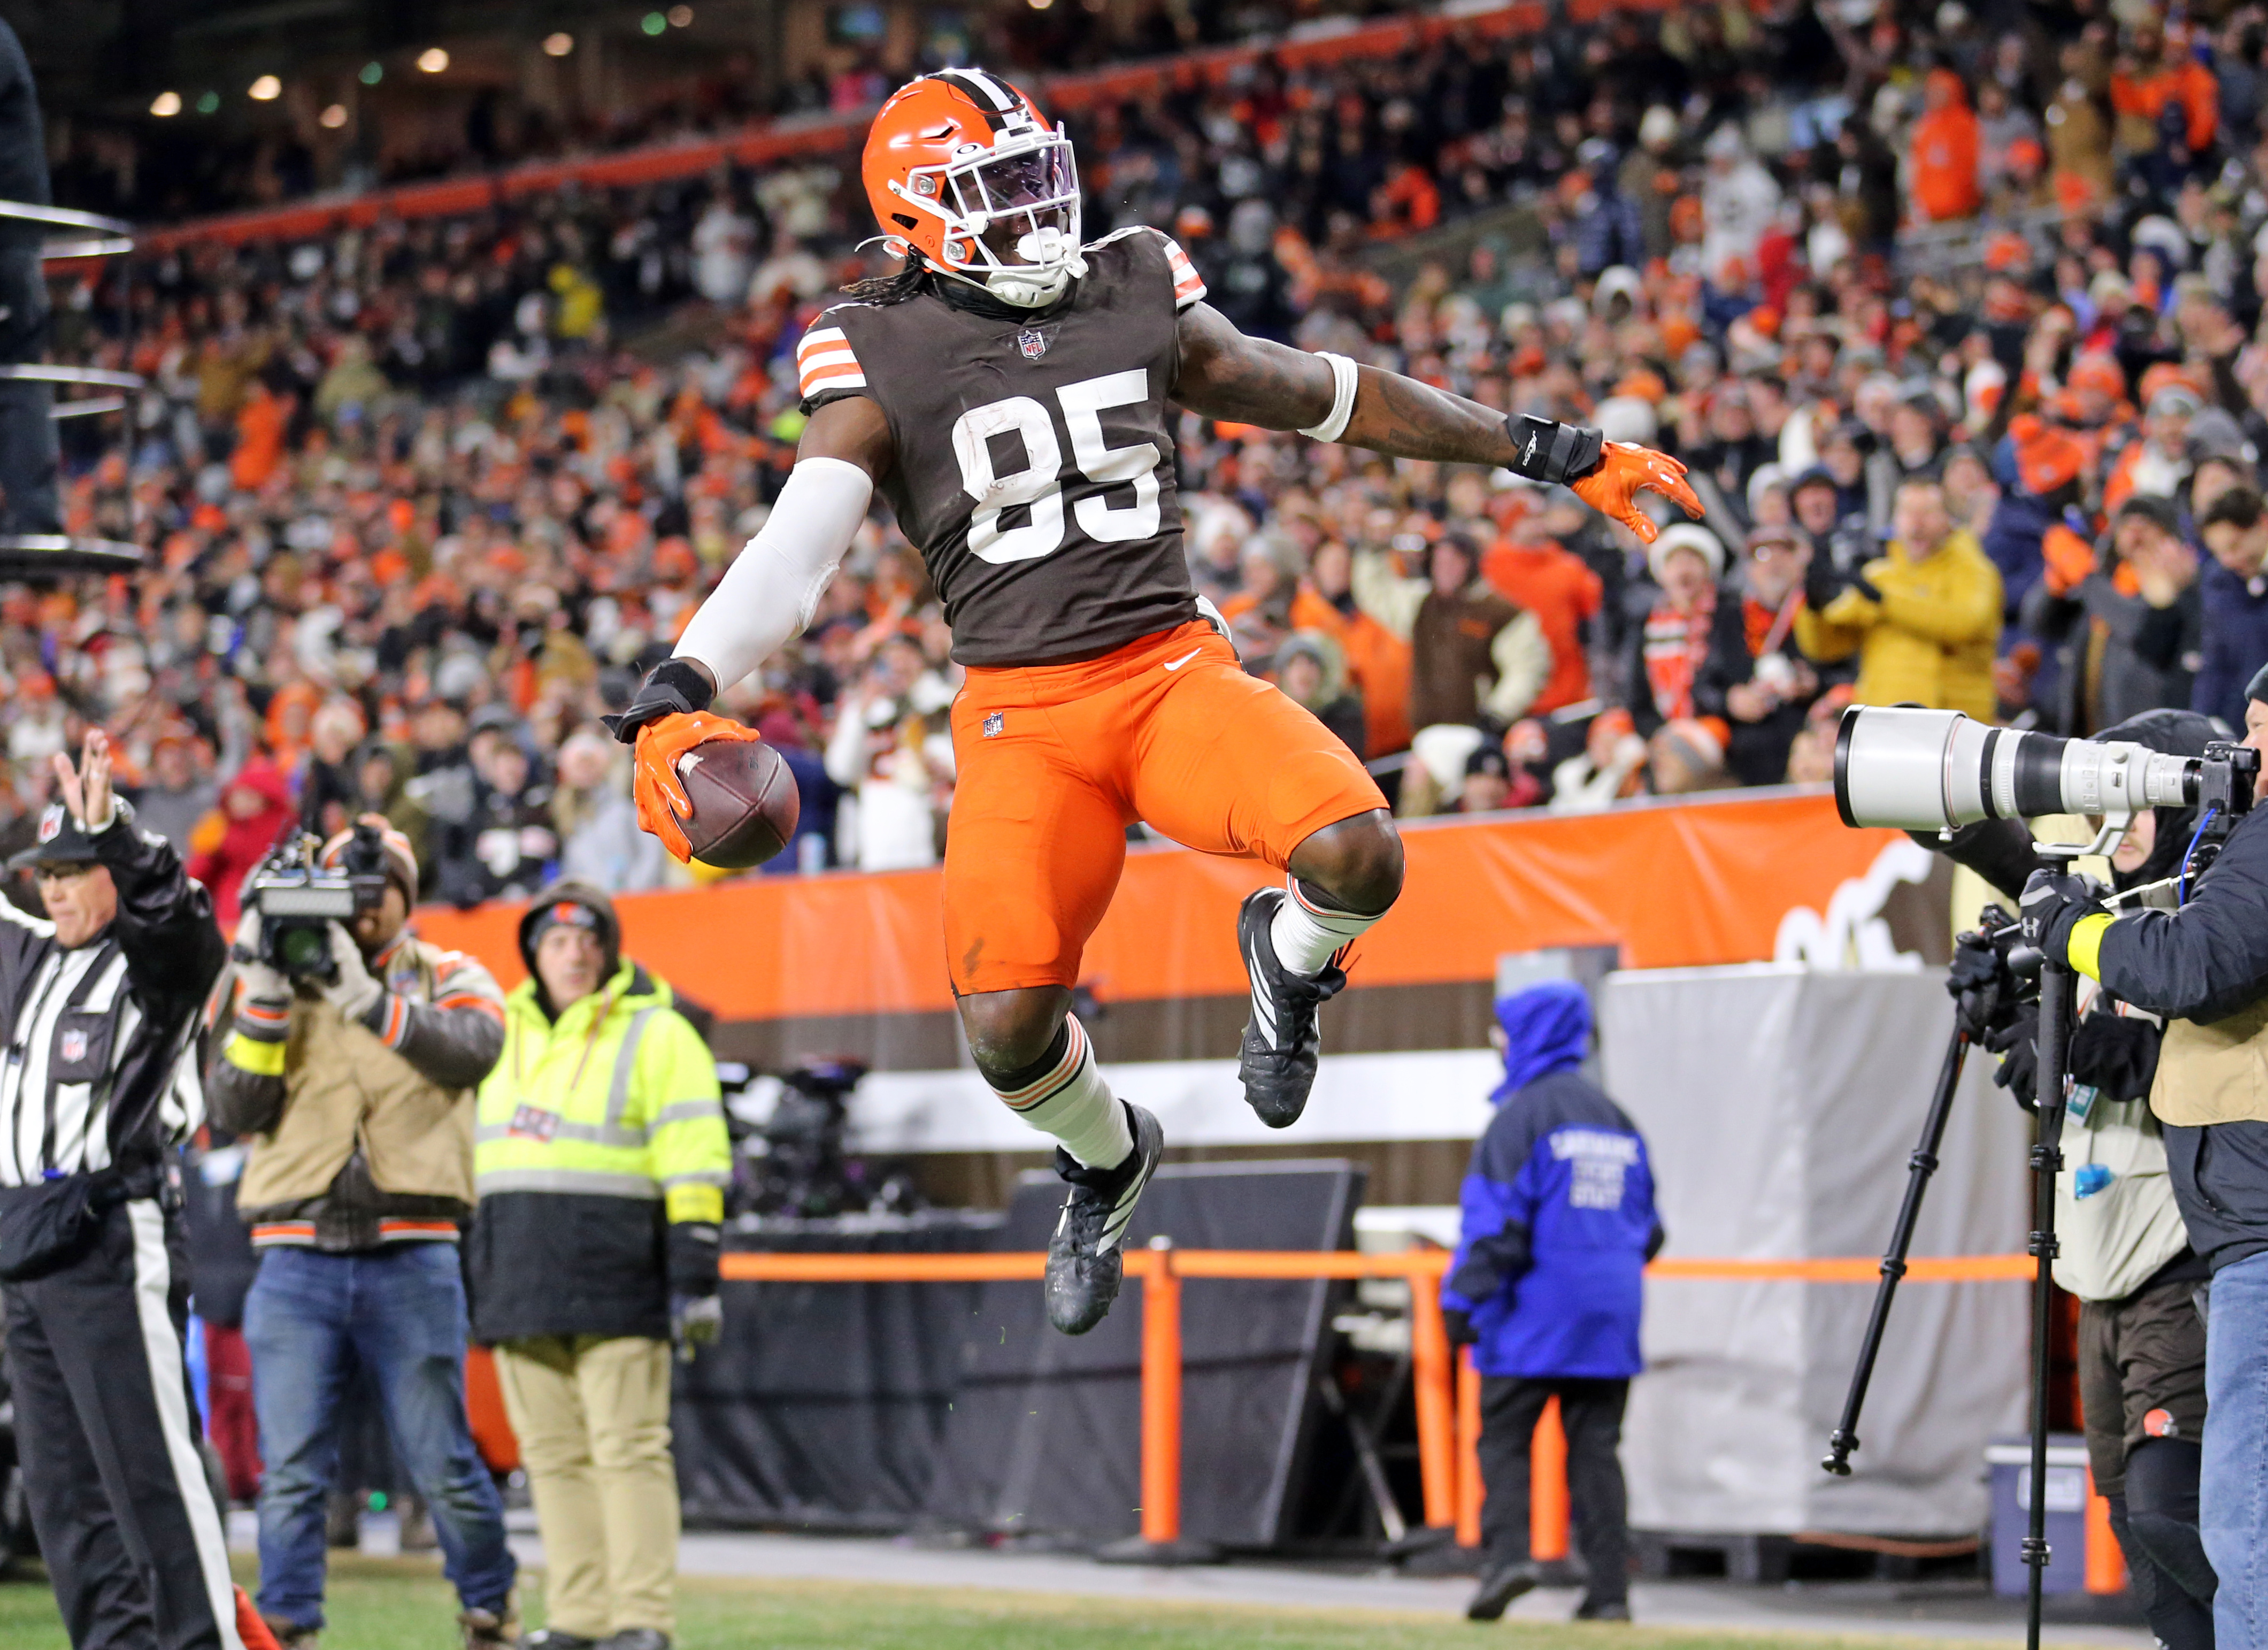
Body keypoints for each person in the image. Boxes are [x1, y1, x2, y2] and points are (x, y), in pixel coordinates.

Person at [604, 70, 1701, 1337]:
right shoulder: (875, 345)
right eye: (993, 196)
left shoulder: (1132, 282)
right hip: (1022, 719)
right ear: (915, 220)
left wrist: (1543, 446)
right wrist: (676, 686)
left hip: (1169, 670)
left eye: (1036, 181)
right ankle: (1108, 1155)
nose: (1034, 217)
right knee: (1008, 1031)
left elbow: (1322, 393)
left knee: (1358, 853)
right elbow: (798, 553)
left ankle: (1284, 964)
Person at [206, 817, 519, 1649]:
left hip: (412, 1246)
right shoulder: (277, 976)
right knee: (292, 1472)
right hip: (295, 1249)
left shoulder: (449, 972)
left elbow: (475, 1048)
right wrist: (267, 999)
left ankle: (490, 1610)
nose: (368, 910)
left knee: (443, 1462)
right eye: (355, 895)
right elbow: (231, 1108)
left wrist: (369, 1002)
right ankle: (288, 1627)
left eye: (383, 895)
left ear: (409, 900)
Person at [1954, 711, 2223, 1650]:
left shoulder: (2207, 922)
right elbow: (2062, 1091)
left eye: (2136, 800)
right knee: (2137, 1540)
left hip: (2179, 1258)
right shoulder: (2104, 922)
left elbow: (2219, 1068)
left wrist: (2135, 1051)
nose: (2116, 821)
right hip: (2100, 1270)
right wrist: (2020, 1026)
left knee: (2169, 1512)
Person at [2018, 671, 2268, 1650]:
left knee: (2242, 1522)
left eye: (2261, 723)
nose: (2245, 751)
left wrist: (2067, 929)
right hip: (2213, 1237)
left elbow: (2189, 968)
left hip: (2243, 1233)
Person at [0, 732, 238, 1650]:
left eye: (75, 868)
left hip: (109, 1232)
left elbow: (179, 922)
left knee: (147, 1477)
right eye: (44, 872)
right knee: (64, 1493)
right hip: (23, 1244)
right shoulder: (26, 958)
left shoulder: (156, 966)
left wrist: (124, 840)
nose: (55, 888)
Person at [469, 882, 730, 1650]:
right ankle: (581, 1621)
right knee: (552, 1460)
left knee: (629, 1451)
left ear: (609, 949)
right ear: (533, 953)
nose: (574, 953)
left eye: (588, 940)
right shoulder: (497, 1033)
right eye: (557, 941)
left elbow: (694, 1157)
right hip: (519, 1273)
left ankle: (641, 1619)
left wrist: (695, 1274)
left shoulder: (658, 1031)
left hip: (623, 1272)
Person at [1441, 981, 1661, 1625]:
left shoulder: (1519, 1120)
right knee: (1595, 1451)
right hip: (1609, 1319)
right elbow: (1650, 1230)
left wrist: (1461, 1301)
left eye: (1504, 1033)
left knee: (1503, 1440)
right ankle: (1609, 1594)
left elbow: (1494, 1227)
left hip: (1531, 1317)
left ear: (1528, 1036)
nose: (1499, 1045)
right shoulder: (1617, 1119)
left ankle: (1507, 1559)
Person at [1795, 477, 2003, 721]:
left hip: (1953, 724)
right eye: (1907, 512)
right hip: (1885, 724)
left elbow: (1966, 623)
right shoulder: (1879, 575)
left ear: (1949, 519)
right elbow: (1825, 649)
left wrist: (1886, 601)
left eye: (1927, 512)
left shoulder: (1974, 570)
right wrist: (1814, 610)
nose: (1917, 523)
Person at [2194, 487, 2268, 731]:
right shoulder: (2220, 584)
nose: (2228, 561)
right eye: (2219, 553)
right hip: (2239, 727)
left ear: (2263, 524)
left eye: (2235, 546)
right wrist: (2203, 725)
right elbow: (2214, 665)